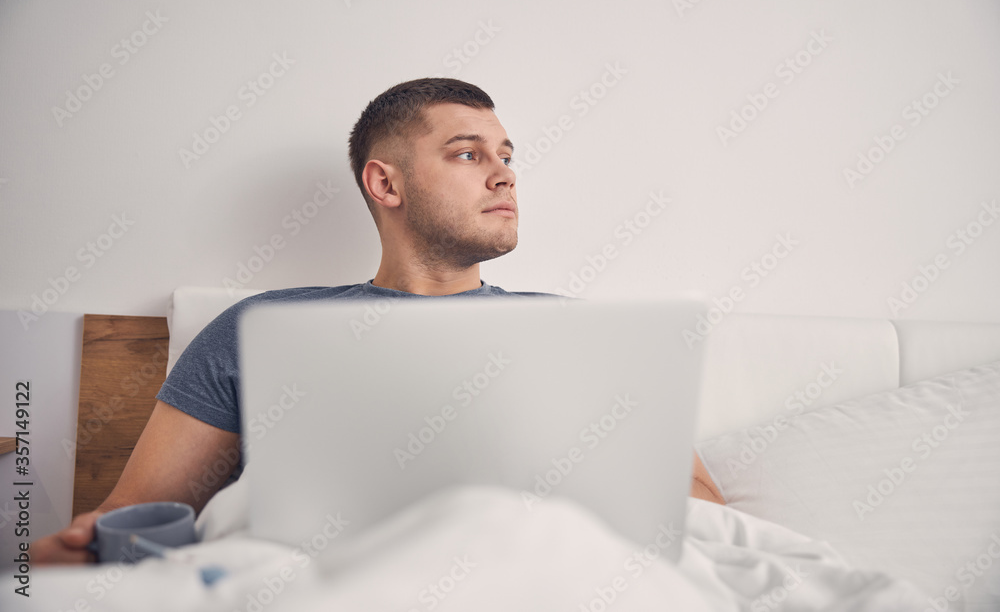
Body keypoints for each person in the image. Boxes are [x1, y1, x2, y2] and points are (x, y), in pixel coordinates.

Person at [32, 78, 723, 564]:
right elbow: (133, 518)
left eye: (507, 155)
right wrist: (66, 556)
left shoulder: (583, 338)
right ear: (385, 182)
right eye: (467, 153)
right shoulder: (260, 329)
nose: (505, 174)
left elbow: (705, 510)